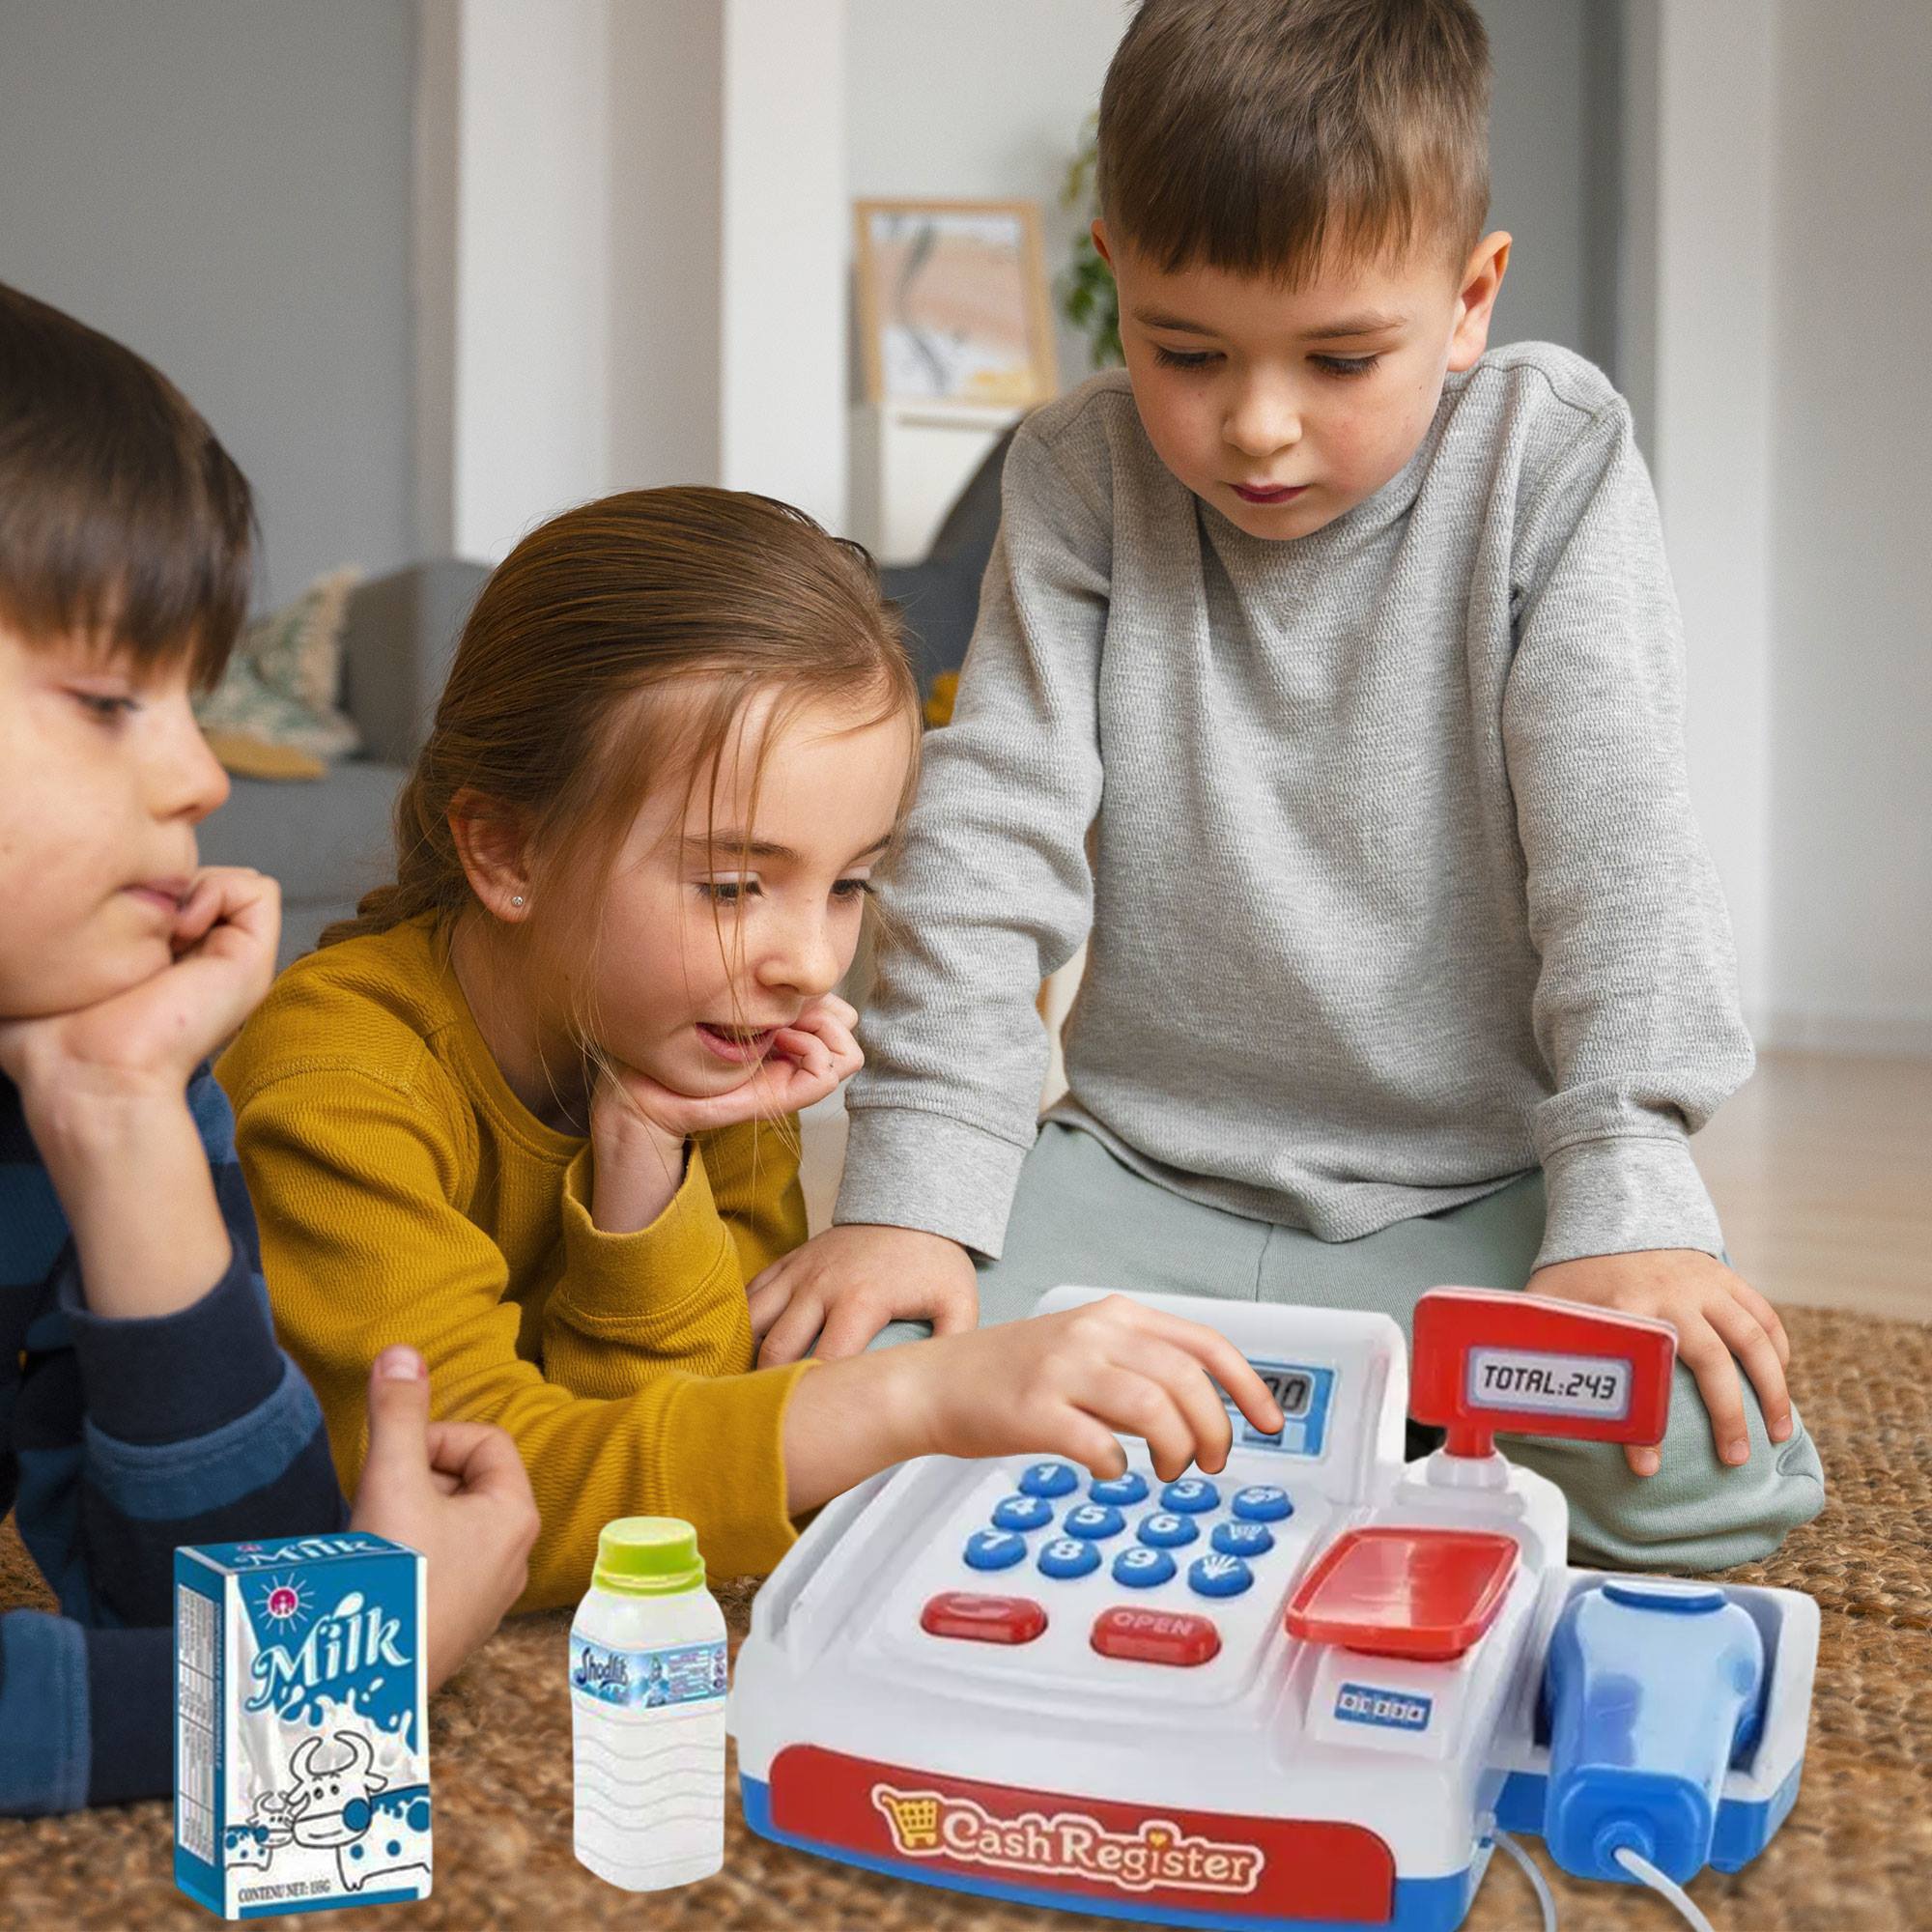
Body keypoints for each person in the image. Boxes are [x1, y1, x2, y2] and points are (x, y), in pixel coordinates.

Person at [750, 0, 1825, 1570]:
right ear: (1116, 282)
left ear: (1468, 300)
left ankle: (1336, 1407)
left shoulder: (1550, 452)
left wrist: (1628, 1198)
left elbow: (1624, 854)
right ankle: (1357, 1420)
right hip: (1140, 1176)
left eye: (1340, 358)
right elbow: (986, 841)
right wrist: (910, 1184)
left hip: (1471, 1197)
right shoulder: (1075, 474)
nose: (1257, 426)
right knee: (849, 1416)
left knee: (1707, 1482)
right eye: (1188, 353)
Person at [218, 487, 1287, 1611]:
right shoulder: (336, 1083)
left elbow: (679, 1472)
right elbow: (465, 1512)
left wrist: (643, 1169)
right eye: (733, 885)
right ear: (506, 851)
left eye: (848, 884)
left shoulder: (700, 1034)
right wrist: (916, 1397)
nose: (810, 964)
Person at [0, 284, 538, 1816]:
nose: (195, 772)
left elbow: (183, 1596)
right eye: (109, 700)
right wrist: (348, 1670)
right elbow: (246, 1662)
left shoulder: (93, 1052)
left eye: (191, 698)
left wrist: (123, 1119)